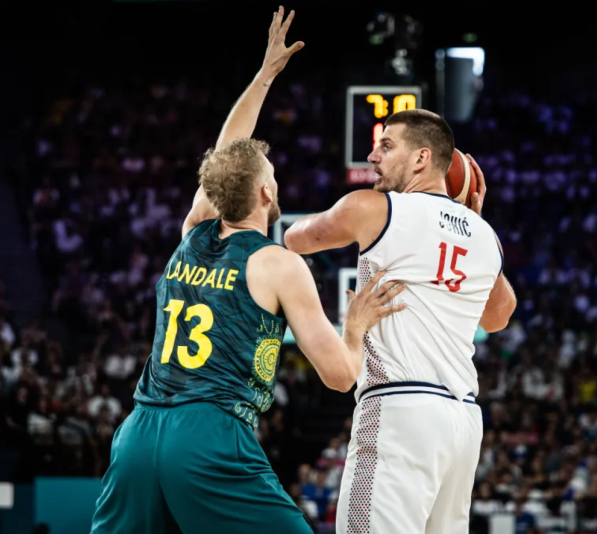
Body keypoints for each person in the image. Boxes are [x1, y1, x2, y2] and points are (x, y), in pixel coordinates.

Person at [89, 8, 407, 534]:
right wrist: (355, 327)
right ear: (265, 191)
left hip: (138, 435)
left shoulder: (193, 232)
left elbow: (225, 155)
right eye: (273, 174)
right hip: (209, 435)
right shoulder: (280, 264)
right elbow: (340, 375)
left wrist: (264, 76)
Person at [284, 110, 518, 533]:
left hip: (399, 408)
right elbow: (499, 316)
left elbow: (295, 238)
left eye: (386, 146)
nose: (373, 156)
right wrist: (473, 226)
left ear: (421, 158)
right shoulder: (487, 236)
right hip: (463, 421)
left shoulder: (374, 208)